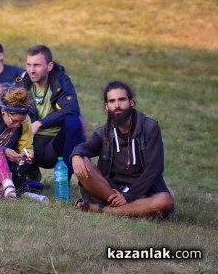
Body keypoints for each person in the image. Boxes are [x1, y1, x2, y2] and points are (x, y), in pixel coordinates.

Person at [71, 81, 174, 217]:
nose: (117, 105)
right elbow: (84, 148)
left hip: (142, 192)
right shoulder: (103, 133)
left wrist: (130, 196)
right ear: (107, 106)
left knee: (165, 200)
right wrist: (76, 156)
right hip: (110, 192)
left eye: (122, 99)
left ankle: (103, 210)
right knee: (82, 162)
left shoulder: (150, 129)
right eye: (112, 101)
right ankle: (129, 210)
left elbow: (155, 169)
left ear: (131, 102)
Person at [14, 45, 86, 181]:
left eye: (37, 65)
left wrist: (40, 123)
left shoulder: (62, 81)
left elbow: (72, 109)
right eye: (28, 65)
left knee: (73, 122)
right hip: (29, 144)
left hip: (56, 144)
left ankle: (64, 181)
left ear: (50, 66)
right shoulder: (22, 83)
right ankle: (27, 172)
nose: (31, 70)